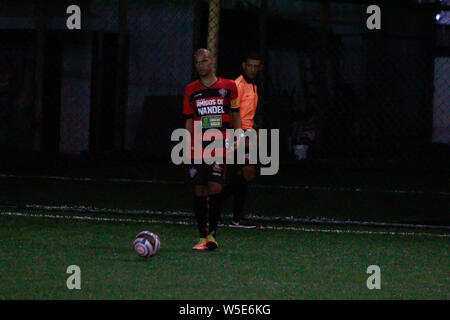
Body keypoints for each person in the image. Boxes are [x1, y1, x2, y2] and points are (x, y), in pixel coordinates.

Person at [183, 48, 241, 251]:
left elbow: (235, 113)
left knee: (215, 186)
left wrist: (237, 137)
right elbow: (189, 119)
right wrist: (188, 144)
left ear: (213, 60)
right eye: (198, 62)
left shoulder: (229, 86)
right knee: (199, 188)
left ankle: (212, 235)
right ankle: (201, 236)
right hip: (198, 145)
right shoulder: (191, 89)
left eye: (205, 60)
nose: (201, 65)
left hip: (219, 144)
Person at [224, 52, 263, 228]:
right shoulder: (237, 85)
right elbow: (230, 113)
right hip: (238, 134)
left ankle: (215, 206)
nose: (253, 69)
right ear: (243, 66)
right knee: (245, 173)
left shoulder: (253, 86)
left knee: (243, 175)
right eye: (250, 66)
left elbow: (248, 114)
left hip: (248, 133)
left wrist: (255, 130)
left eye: (256, 66)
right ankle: (235, 216)